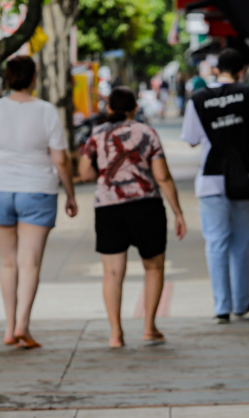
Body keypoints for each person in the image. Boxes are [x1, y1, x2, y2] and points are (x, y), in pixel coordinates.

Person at [0, 56, 78, 349]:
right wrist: (70, 193)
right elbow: (61, 160)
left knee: (8, 263)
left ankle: (7, 327)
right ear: (33, 78)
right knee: (29, 263)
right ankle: (22, 326)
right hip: (38, 190)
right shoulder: (46, 112)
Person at [78, 87, 187, 348]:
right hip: (145, 206)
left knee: (112, 273)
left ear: (109, 108)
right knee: (154, 267)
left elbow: (85, 174)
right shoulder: (147, 133)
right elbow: (162, 176)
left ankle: (116, 334)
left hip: (108, 207)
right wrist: (178, 212)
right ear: (134, 108)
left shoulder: (96, 134)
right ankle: (149, 327)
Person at [180, 48, 249, 324]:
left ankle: (222, 307)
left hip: (210, 179)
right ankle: (241, 303)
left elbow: (191, 139)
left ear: (216, 70)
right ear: (242, 70)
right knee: (241, 243)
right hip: (245, 176)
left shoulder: (198, 98)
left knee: (216, 243)